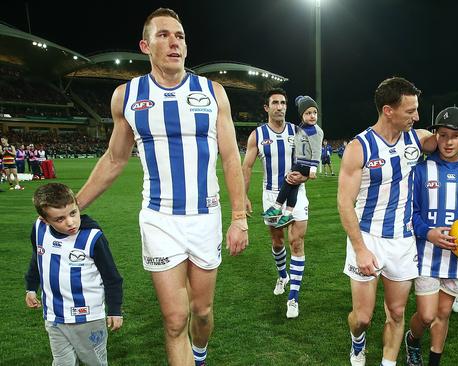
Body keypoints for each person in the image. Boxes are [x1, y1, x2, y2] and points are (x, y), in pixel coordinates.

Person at [76, 8, 248, 366]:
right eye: (164, 35)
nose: (174, 42)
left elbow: (232, 158)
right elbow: (114, 159)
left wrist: (239, 218)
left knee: (201, 312)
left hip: (205, 217)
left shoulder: (212, 92)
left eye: (180, 36)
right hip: (159, 219)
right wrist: (73, 206)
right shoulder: (127, 96)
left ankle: (199, 354)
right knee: (174, 320)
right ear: (145, 45)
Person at [338, 77, 458, 366]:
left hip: (404, 240)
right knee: (362, 317)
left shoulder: (417, 138)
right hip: (368, 236)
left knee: (397, 313)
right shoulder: (359, 147)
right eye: (410, 111)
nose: (417, 116)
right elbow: (344, 203)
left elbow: (454, 145)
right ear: (388, 111)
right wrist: (359, 248)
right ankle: (358, 340)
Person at [403, 107, 458, 366]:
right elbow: (411, 213)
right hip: (427, 255)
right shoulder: (420, 171)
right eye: (442, 135)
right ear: (435, 136)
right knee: (427, 315)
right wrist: (428, 233)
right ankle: (413, 339)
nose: (448, 141)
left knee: (444, 312)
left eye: (455, 135)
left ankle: (434, 361)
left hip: (456, 258)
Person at [25, 183, 123, 366]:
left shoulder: (93, 237)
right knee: (62, 363)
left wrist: (115, 309)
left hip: (88, 317)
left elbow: (112, 277)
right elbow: (37, 257)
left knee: (95, 363)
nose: (70, 222)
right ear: (45, 220)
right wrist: (31, 288)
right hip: (54, 315)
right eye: (59, 219)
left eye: (73, 213)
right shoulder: (39, 229)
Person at [242, 88, 310, 319]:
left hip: (297, 193)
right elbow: (247, 166)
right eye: (275, 103)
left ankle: (293, 298)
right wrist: (243, 195)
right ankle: (282, 274)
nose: (280, 107)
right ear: (266, 107)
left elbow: (311, 165)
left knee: (297, 242)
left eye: (283, 102)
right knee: (277, 240)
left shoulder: (298, 131)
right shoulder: (257, 136)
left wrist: (303, 176)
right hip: (272, 196)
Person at [262, 95, 323, 230]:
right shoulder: (302, 127)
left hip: (305, 164)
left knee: (288, 180)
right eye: (308, 113)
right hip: (301, 162)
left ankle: (277, 207)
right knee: (293, 186)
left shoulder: (315, 130)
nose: (312, 116)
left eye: (315, 112)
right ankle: (288, 213)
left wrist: (313, 169)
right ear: (302, 115)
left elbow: (317, 151)